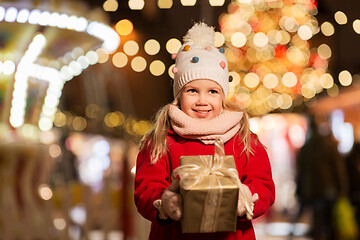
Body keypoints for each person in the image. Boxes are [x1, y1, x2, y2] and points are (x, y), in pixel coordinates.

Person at [134, 22, 275, 240]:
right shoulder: (162, 140)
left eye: (212, 91)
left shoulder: (243, 139)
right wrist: (166, 202)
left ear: (222, 96)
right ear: (179, 94)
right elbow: (146, 187)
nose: (202, 100)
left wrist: (244, 198)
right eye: (192, 90)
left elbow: (263, 184)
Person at [295, 115, 347, 240]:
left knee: (318, 221)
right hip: (328, 188)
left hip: (311, 188)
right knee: (330, 222)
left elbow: (300, 171)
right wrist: (342, 188)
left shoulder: (305, 148)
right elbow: (338, 169)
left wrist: (300, 190)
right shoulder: (329, 146)